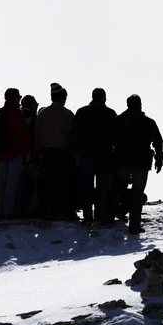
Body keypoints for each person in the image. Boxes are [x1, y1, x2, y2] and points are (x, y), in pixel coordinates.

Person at [109, 94, 163, 234]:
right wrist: (159, 159)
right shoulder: (148, 122)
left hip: (122, 161)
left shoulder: (118, 121)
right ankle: (134, 226)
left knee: (118, 189)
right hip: (141, 162)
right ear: (139, 104)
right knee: (137, 193)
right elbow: (158, 141)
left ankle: (109, 219)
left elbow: (109, 140)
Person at [72, 88, 117, 224]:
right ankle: (99, 215)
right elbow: (115, 135)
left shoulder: (81, 112)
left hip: (86, 156)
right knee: (102, 188)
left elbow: (75, 134)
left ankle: (87, 216)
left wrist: (76, 153)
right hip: (104, 156)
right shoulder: (110, 113)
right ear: (103, 97)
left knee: (87, 187)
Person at [35, 83, 76, 219]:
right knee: (64, 183)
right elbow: (71, 135)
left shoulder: (42, 114)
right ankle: (65, 211)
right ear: (63, 98)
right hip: (63, 153)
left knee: (49, 183)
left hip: (47, 153)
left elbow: (37, 135)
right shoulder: (67, 114)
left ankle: (48, 211)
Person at [0, 88, 31, 219]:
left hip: (1, 152)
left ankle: (0, 209)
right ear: (16, 98)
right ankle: (8, 211)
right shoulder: (17, 113)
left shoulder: (0, 112)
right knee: (12, 182)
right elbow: (22, 134)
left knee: (1, 182)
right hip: (15, 151)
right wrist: (27, 151)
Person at [16, 95, 42, 217]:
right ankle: (32, 210)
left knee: (20, 186)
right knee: (36, 185)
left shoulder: (17, 117)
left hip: (17, 156)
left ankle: (20, 209)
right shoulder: (37, 120)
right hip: (34, 157)